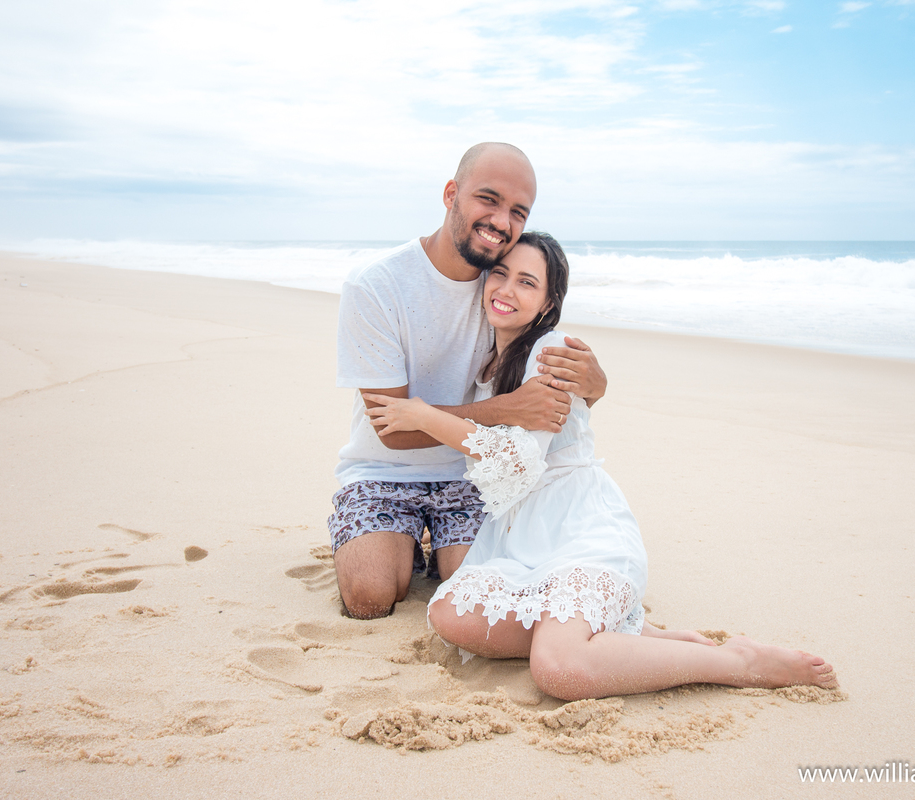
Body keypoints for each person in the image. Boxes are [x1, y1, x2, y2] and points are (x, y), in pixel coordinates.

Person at [363, 232, 839, 701]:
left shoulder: (553, 354)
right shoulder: (491, 363)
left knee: (558, 669)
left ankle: (738, 663)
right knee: (451, 615)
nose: (506, 290)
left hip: (580, 531)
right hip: (524, 537)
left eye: (527, 283)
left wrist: (427, 416)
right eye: (501, 274)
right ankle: (635, 638)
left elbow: (520, 463)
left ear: (549, 303)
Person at [329, 143, 608, 620]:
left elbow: (554, 382)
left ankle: (433, 548)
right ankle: (391, 539)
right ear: (451, 194)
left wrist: (596, 383)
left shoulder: (500, 288)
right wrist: (504, 411)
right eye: (489, 199)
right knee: (370, 596)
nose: (501, 220)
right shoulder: (376, 286)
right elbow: (393, 430)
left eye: (518, 211)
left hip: (471, 475)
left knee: (471, 593)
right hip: (383, 470)